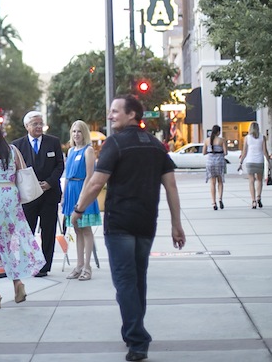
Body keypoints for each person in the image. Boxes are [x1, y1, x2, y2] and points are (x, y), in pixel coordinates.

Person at [70, 95, 185, 362]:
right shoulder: (157, 146)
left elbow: (97, 183)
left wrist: (78, 210)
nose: (110, 116)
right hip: (146, 222)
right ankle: (131, 331)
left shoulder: (116, 144)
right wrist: (176, 224)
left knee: (124, 281)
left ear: (132, 114)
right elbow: (171, 187)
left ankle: (137, 340)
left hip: (120, 222)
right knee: (137, 279)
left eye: (115, 112)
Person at [0, 117, 45, 309]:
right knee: (7, 245)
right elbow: (23, 174)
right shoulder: (13, 150)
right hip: (10, 201)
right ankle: (17, 283)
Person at [12, 110, 64, 276]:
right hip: (28, 196)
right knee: (27, 231)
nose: (39, 127)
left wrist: (49, 183)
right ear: (27, 126)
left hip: (49, 194)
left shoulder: (53, 142)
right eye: (35, 124)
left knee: (48, 232)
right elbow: (14, 169)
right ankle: (27, 263)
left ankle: (44, 266)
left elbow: (59, 165)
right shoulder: (17, 145)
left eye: (41, 123)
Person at [61, 120, 101, 280]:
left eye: (79, 131)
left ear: (84, 133)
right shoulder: (71, 151)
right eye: (73, 131)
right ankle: (79, 265)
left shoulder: (88, 150)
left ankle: (87, 266)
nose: (76, 134)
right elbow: (66, 175)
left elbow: (90, 176)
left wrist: (83, 198)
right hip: (71, 190)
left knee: (86, 230)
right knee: (76, 230)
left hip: (82, 190)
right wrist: (64, 196)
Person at [238, 121, 269, 209]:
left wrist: (241, 162)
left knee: (251, 181)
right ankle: (259, 197)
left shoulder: (247, 138)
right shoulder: (262, 137)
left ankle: (253, 201)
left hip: (250, 161)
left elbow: (244, 152)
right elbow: (265, 151)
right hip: (260, 161)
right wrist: (269, 162)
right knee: (259, 180)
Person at [204, 125, 227, 210]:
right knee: (220, 181)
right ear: (218, 132)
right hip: (219, 161)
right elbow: (226, 152)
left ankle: (214, 203)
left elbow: (203, 152)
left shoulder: (207, 140)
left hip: (210, 162)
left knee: (212, 183)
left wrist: (211, 151)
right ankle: (220, 199)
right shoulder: (222, 140)